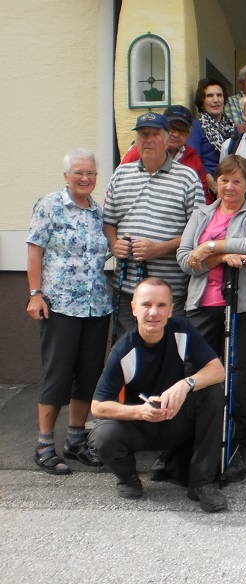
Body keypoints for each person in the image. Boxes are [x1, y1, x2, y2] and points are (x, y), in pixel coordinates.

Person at [89, 278, 227, 513]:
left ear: (171, 309)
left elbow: (218, 371)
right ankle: (128, 478)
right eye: (146, 305)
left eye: (161, 305)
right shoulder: (123, 351)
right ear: (134, 308)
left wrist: (186, 384)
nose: (153, 312)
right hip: (139, 425)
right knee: (103, 435)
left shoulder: (182, 330)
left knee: (213, 392)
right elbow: (98, 407)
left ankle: (201, 483)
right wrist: (139, 412)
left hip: (175, 419)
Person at [177, 155, 246, 475]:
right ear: (214, 182)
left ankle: (243, 442)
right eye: (224, 180)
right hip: (203, 304)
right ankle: (193, 441)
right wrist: (222, 256)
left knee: (241, 375)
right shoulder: (201, 213)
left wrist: (210, 247)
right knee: (199, 373)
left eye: (237, 181)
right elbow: (183, 258)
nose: (229, 187)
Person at [26, 148, 112, 475]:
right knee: (58, 374)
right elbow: (35, 251)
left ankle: (75, 440)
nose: (85, 178)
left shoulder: (97, 211)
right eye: (79, 172)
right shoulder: (49, 205)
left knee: (88, 373)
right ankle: (44, 444)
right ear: (66, 175)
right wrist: (35, 294)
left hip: (96, 305)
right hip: (59, 305)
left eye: (90, 173)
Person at [103, 112, 205, 337]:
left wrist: (159, 249)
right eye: (143, 134)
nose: (148, 139)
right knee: (126, 353)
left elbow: (198, 232)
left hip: (170, 289)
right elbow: (109, 220)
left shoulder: (187, 178)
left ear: (167, 138)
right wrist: (114, 244)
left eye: (155, 134)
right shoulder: (121, 174)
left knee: (168, 354)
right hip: (127, 288)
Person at [122, 105, 212, 204]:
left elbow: (204, 197)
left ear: (189, 134)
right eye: (172, 128)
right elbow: (121, 184)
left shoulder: (194, 159)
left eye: (182, 131)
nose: (176, 134)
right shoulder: (140, 151)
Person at [187, 78, 234, 191]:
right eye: (209, 96)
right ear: (202, 102)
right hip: (207, 185)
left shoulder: (232, 127)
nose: (215, 100)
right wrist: (207, 178)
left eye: (219, 95)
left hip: (230, 182)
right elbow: (193, 158)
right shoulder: (196, 126)